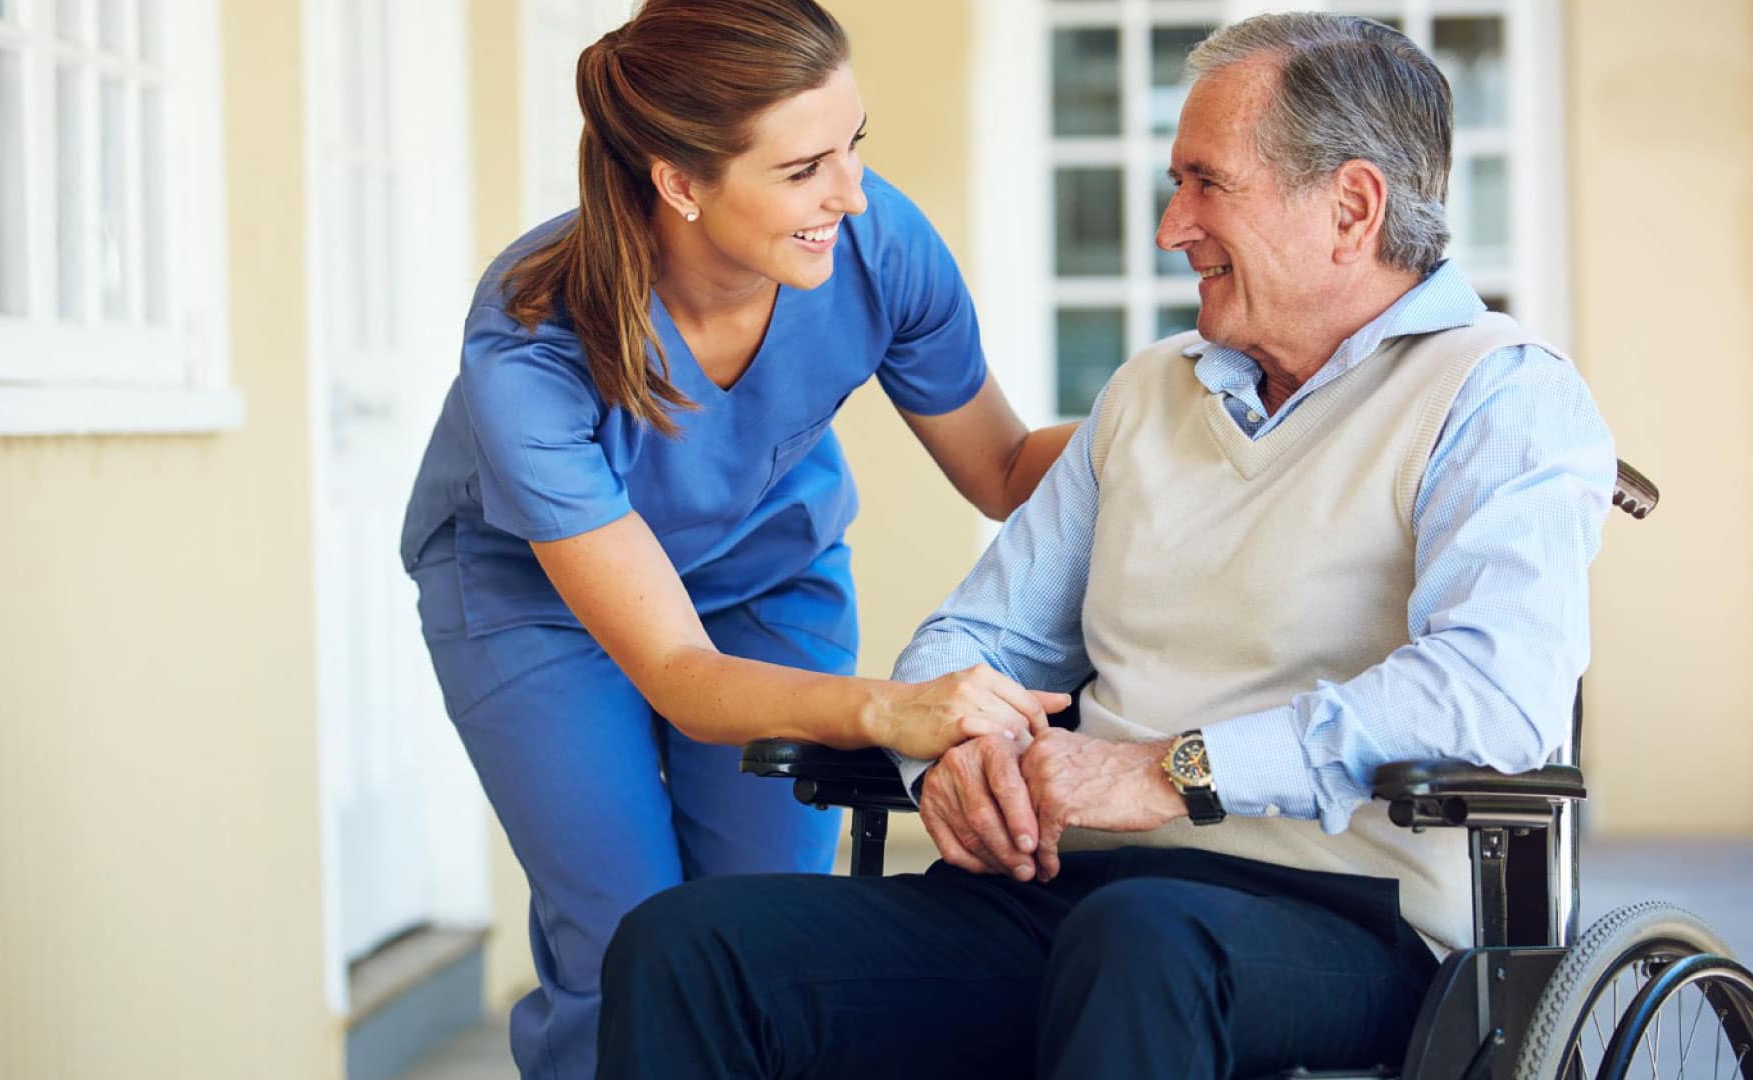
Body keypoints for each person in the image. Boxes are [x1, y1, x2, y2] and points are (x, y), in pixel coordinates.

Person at [596, 12, 1617, 1079]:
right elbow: (980, 632)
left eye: (1206, 183)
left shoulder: (1500, 395)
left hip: (1346, 916)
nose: (1172, 227)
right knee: (686, 948)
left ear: (1351, 208)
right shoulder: (1147, 396)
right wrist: (954, 753)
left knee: (1141, 946)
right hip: (1075, 893)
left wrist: (1170, 774)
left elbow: (1490, 698)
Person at [398, 1, 1077, 1075]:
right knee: (625, 938)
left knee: (763, 932)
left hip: (766, 575)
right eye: (804, 167)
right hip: (535, 603)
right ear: (679, 181)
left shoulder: (876, 244)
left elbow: (1001, 470)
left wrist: (1173, 426)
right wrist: (886, 710)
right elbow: (676, 669)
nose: (849, 195)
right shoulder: (533, 344)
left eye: (852, 146)